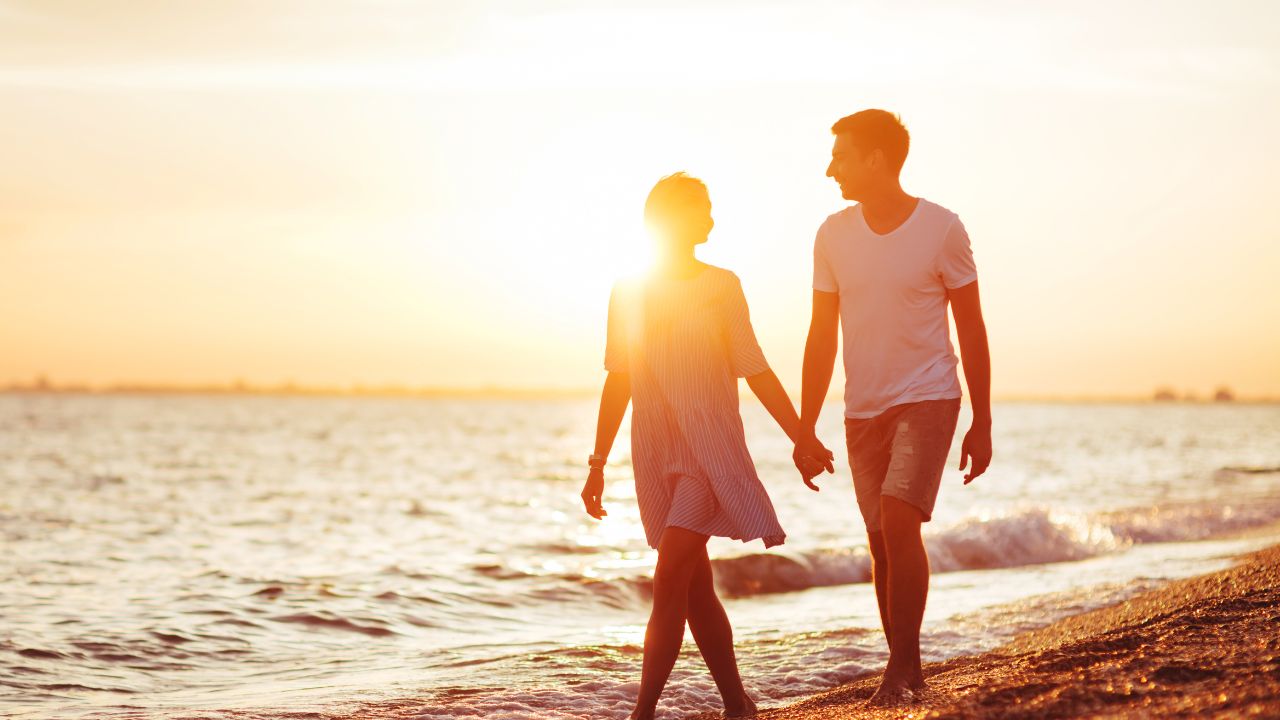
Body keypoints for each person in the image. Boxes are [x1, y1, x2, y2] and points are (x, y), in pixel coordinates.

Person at [581, 172, 832, 719]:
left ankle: (641, 713)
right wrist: (597, 464)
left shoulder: (722, 285)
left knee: (670, 574)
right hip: (654, 448)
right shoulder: (628, 290)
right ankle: (737, 704)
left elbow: (753, 367)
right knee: (695, 586)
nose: (712, 220)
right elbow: (618, 378)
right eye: (702, 209)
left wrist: (801, 435)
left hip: (708, 450)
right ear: (671, 219)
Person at [792, 110, 993, 705]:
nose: (831, 169)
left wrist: (981, 421)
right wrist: (805, 427)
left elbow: (972, 328)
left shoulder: (942, 229)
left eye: (842, 156)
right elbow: (820, 336)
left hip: (930, 395)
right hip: (863, 408)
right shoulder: (831, 235)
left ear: (876, 158)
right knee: (880, 539)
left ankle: (901, 668)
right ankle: (905, 664)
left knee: (900, 519)